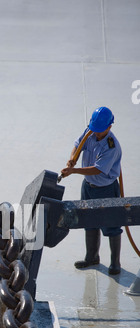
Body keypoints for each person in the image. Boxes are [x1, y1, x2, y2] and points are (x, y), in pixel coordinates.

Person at [61, 106, 122, 275]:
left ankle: (115, 263)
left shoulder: (111, 146)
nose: (96, 133)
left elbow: (98, 169)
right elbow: (78, 145)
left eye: (100, 131)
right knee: (89, 221)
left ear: (109, 127)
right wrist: (72, 158)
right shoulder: (91, 130)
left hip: (106, 189)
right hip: (88, 187)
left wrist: (73, 171)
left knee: (111, 226)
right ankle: (92, 257)